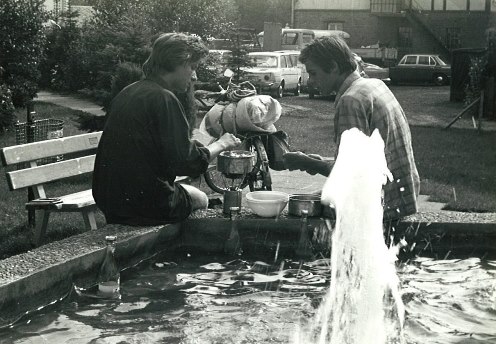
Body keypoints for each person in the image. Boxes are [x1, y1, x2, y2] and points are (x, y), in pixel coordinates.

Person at [93, 33, 241, 226]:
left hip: (110, 200)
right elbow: (187, 163)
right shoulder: (164, 99)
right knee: (201, 199)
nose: (194, 76)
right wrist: (222, 144)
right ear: (177, 62)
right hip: (146, 203)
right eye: (192, 67)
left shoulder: (129, 91)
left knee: (181, 191)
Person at [283, 36, 420, 221]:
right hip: (403, 197)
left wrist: (309, 164)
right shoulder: (374, 85)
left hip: (381, 207)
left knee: (304, 212)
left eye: (313, 73)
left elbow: (353, 175)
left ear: (333, 67)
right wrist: (321, 161)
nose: (310, 82)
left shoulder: (350, 100)